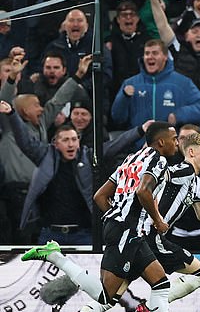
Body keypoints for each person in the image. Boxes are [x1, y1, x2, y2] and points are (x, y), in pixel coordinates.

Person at [46, 132, 200, 312]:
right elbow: (155, 179)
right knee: (197, 275)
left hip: (140, 237)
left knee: (108, 297)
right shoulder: (181, 171)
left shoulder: (194, 182)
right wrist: (153, 215)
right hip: (151, 237)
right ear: (191, 152)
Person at [21, 121, 187, 312]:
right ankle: (55, 256)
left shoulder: (131, 158)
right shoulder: (158, 161)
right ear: (161, 142)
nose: (176, 143)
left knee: (160, 284)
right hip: (127, 233)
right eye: (173, 139)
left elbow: (100, 195)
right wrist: (157, 221)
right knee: (106, 297)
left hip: (128, 231)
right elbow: (143, 192)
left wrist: (115, 216)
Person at [0, 101, 147, 245]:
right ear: (56, 144)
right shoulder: (45, 155)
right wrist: (12, 114)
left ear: (79, 142)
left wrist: (140, 130)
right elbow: (25, 141)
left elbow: (114, 146)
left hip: (83, 234)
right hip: (50, 234)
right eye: (65, 140)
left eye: (74, 139)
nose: (70, 144)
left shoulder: (88, 156)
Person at [110, 38, 200, 150]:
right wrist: (124, 97)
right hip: (139, 151)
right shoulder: (131, 84)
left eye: (155, 53)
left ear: (165, 57)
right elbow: (117, 118)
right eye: (147, 53)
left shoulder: (182, 83)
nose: (150, 57)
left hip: (171, 152)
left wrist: (179, 115)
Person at [107, 0, 151, 106]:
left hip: (142, 92)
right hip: (117, 92)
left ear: (138, 18)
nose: (128, 18)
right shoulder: (109, 42)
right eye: (124, 15)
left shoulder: (147, 41)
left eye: (132, 14)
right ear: (117, 19)